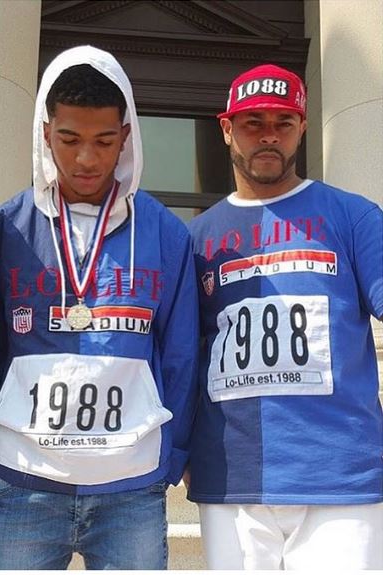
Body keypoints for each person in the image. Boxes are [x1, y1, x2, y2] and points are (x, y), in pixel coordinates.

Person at [0, 45, 199, 570]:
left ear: (126, 137)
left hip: (131, 487)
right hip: (25, 480)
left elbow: (181, 355)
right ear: (46, 133)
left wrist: (171, 456)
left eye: (104, 141)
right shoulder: (4, 230)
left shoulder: (166, 233)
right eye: (69, 139)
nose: (86, 159)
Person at [186, 64, 383, 569]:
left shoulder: (354, 216)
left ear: (302, 128)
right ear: (226, 128)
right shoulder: (195, 239)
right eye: (253, 122)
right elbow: (182, 353)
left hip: (342, 474)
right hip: (232, 475)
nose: (269, 135)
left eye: (284, 122)